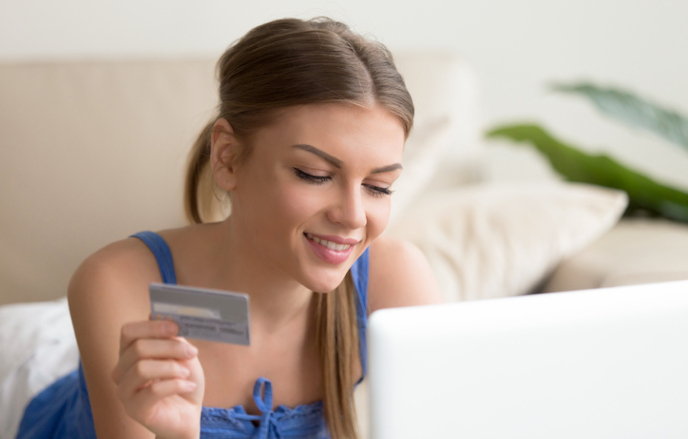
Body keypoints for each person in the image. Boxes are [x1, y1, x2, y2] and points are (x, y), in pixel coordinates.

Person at [17, 17, 443, 439]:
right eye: (314, 174)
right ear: (227, 157)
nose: (352, 216)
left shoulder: (394, 279)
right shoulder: (117, 282)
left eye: (378, 186)